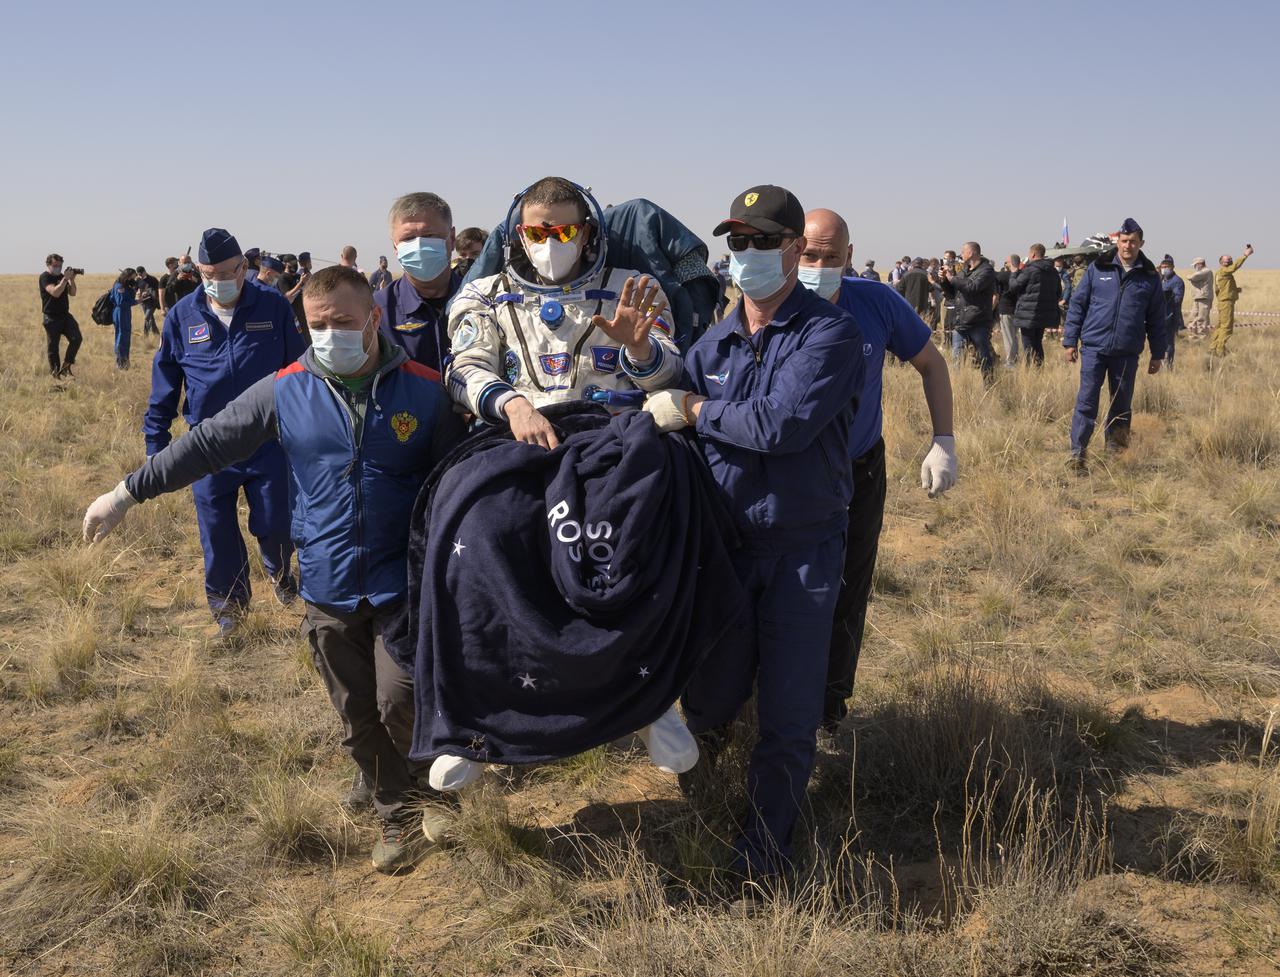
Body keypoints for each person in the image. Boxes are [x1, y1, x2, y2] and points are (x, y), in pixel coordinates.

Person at [84, 265, 465, 873]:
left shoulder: (425, 392)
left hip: (404, 580)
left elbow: (459, 482)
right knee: (355, 712)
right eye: (317, 325)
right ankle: (395, 807)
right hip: (326, 578)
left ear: (373, 319)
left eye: (343, 322)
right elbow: (207, 443)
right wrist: (127, 492)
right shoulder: (284, 391)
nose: (330, 334)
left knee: (401, 698)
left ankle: (426, 789)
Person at [640, 185, 865, 888]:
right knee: (712, 693)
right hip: (727, 546)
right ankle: (708, 801)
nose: (748, 254)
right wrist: (643, 357)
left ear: (795, 249)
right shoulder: (715, 339)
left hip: (802, 548)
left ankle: (764, 850)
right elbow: (665, 400)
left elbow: (780, 425)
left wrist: (695, 407)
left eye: (764, 241)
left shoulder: (829, 334)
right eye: (738, 242)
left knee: (789, 713)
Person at [796, 209, 957, 734]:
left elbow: (932, 363)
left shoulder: (876, 302)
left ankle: (829, 706)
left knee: (848, 588)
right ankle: (769, 703)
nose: (819, 266)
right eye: (809, 255)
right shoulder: (771, 302)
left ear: (849, 255)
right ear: (792, 251)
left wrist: (943, 440)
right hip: (790, 475)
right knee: (785, 591)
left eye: (830, 256)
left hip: (858, 470)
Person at [143, 227, 307, 635]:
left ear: (243, 267)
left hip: (269, 440)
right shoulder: (182, 316)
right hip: (208, 446)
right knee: (216, 531)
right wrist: (156, 442)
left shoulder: (272, 305)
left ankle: (280, 569)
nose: (219, 280)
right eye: (208, 274)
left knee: (276, 522)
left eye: (228, 272)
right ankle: (229, 608)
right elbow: (165, 382)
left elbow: (299, 369)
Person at [446, 176, 684, 444]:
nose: (550, 244)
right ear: (521, 235)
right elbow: (463, 370)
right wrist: (512, 405)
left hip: (610, 438)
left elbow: (669, 377)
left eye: (564, 233)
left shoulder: (632, 290)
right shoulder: (487, 295)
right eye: (537, 234)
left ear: (585, 233)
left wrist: (641, 351)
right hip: (516, 437)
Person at [1063, 218, 1166, 470]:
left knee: (1121, 404)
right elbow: (1078, 305)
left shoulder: (1149, 277)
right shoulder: (1097, 268)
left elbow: (1156, 318)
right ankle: (1078, 455)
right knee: (1086, 402)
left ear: (1141, 243)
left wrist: (1158, 353)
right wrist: (1070, 340)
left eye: (1133, 241)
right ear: (1117, 242)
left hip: (1126, 352)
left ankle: (1115, 456)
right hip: (1094, 349)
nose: (1128, 245)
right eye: (1124, 240)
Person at [373, 192, 463, 371]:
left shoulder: (481, 300)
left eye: (429, 235)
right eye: (408, 239)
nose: (419, 246)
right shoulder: (379, 311)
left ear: (452, 238)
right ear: (395, 246)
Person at [939, 242, 996, 381]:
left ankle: (989, 384)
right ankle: (957, 385)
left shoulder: (986, 270)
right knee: (957, 357)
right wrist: (944, 280)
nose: (961, 255)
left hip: (978, 320)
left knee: (983, 356)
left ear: (970, 253)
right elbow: (953, 293)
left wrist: (952, 278)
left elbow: (972, 287)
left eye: (963, 252)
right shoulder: (964, 270)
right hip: (961, 321)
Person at [1007, 244, 1061, 366]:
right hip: (1045, 313)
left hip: (1028, 313)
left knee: (1028, 344)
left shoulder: (1029, 270)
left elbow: (1014, 287)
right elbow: (1058, 292)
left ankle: (1029, 370)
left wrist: (1014, 273)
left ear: (1033, 254)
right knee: (1038, 343)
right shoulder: (1053, 271)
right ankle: (1039, 368)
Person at [39, 254, 81, 379]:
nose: (58, 268)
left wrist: (71, 280)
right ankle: (55, 375)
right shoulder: (45, 277)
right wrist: (65, 279)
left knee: (76, 338)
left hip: (65, 315)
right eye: (55, 265)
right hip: (51, 317)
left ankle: (66, 367)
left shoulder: (62, 277)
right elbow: (55, 292)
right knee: (53, 347)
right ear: (48, 265)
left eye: (60, 265)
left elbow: (72, 293)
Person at [1209, 245, 1254, 357]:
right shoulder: (1224, 271)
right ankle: (1220, 350)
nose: (1229, 261)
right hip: (1226, 303)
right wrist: (1245, 255)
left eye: (1230, 259)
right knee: (1227, 328)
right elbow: (1234, 267)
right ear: (1221, 262)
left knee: (1221, 326)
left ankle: (1213, 347)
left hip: (1223, 302)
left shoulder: (1220, 273)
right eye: (1227, 260)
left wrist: (1235, 290)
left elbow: (1220, 288)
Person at [1157, 254, 1184, 369]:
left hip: (1170, 315)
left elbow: (1177, 298)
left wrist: (1166, 298)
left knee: (1168, 342)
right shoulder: (1161, 279)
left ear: (1172, 267)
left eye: (1166, 267)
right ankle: (1160, 363)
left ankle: (1168, 365)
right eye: (1162, 267)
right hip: (1159, 315)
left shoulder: (1177, 281)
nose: (1164, 269)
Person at [995, 254, 1021, 368]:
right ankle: (1015, 358)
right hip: (1018, 309)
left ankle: (1011, 361)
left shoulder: (1004, 276)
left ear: (1010, 263)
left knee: (1008, 337)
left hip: (1006, 309)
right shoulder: (1022, 275)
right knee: (1014, 336)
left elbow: (994, 276)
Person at [110, 269, 138, 369]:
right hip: (120, 312)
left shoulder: (126, 286)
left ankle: (125, 361)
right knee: (121, 336)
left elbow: (130, 298)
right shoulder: (119, 286)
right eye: (132, 277)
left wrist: (134, 288)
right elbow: (121, 302)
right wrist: (136, 301)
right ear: (127, 276)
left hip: (126, 312)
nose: (133, 279)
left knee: (126, 336)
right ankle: (120, 361)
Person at [1186, 257, 1213, 336]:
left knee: (1202, 318)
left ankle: (1202, 337)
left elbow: (1193, 277)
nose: (1195, 267)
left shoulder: (1206, 271)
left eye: (1195, 265)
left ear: (1200, 264)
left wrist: (1189, 276)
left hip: (1204, 297)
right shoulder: (1203, 272)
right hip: (1198, 297)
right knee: (1193, 316)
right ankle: (1193, 335)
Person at [135, 265, 161, 338]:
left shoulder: (152, 279)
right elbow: (135, 289)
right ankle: (157, 335)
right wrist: (138, 293)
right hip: (143, 302)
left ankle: (145, 335)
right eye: (139, 275)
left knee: (147, 317)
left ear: (144, 272)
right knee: (150, 319)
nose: (140, 276)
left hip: (152, 302)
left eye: (141, 274)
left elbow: (158, 289)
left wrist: (148, 293)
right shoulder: (138, 280)